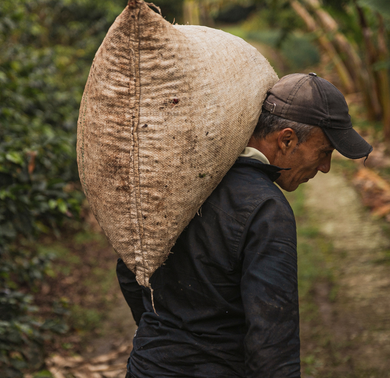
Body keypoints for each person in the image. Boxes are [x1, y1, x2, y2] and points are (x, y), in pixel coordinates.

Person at [117, 73, 373, 378]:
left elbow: (128, 269)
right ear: (287, 139)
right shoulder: (266, 209)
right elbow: (272, 340)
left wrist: (165, 337)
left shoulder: (175, 179)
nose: (325, 168)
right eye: (324, 152)